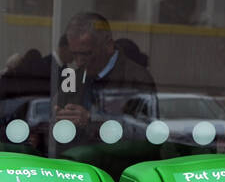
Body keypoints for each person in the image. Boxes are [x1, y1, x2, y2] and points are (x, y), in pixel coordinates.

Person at [53, 11, 156, 144]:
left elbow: (145, 132)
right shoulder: (75, 76)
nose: (78, 62)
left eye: (86, 54)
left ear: (108, 46)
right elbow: (55, 111)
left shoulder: (137, 78)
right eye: (74, 54)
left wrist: (93, 120)